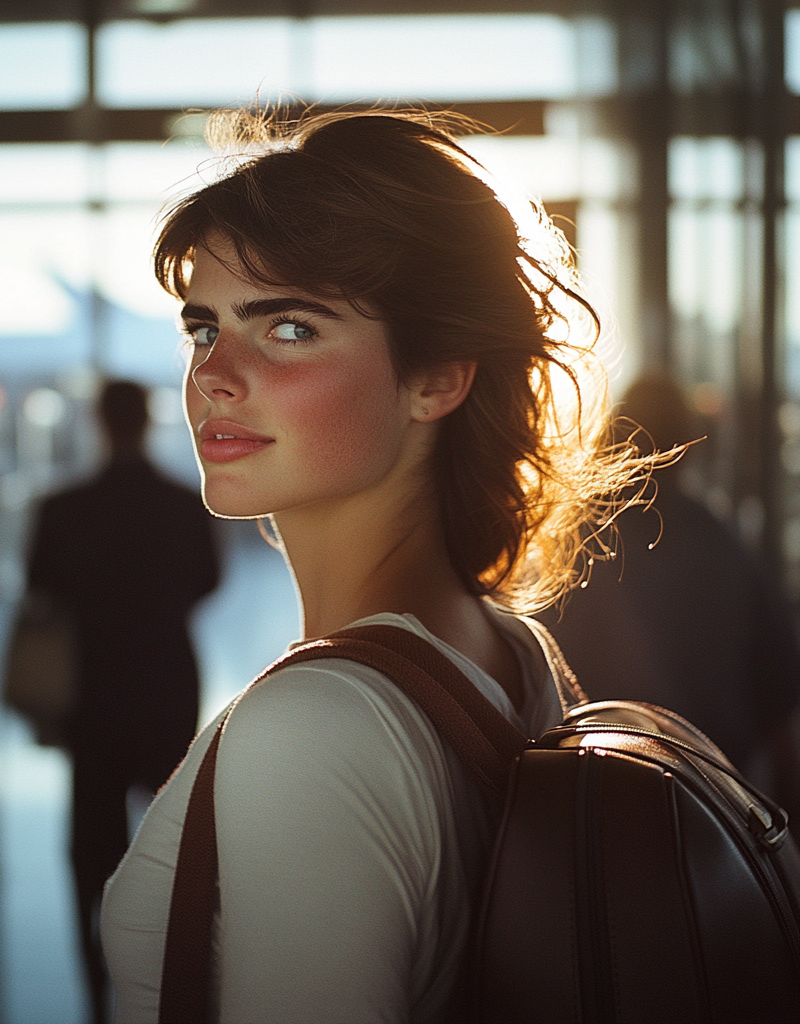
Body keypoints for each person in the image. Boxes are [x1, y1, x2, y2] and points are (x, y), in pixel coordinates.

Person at [100, 110, 652, 1022]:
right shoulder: (510, 650)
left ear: (438, 377)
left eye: (289, 329)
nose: (215, 376)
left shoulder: (313, 730)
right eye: (204, 329)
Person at [25, 379, 219, 1024]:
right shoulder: (183, 505)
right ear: (147, 422)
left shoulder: (63, 508)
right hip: (166, 682)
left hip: (93, 686)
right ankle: (169, 970)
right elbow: (207, 582)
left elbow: (41, 588)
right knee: (171, 830)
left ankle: (93, 977)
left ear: (99, 422)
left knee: (91, 834)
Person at [540, 373, 800, 818]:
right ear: (688, 446)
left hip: (593, 801)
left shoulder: (569, 543)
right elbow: (781, 707)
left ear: (609, 436)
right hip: (716, 808)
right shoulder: (722, 543)